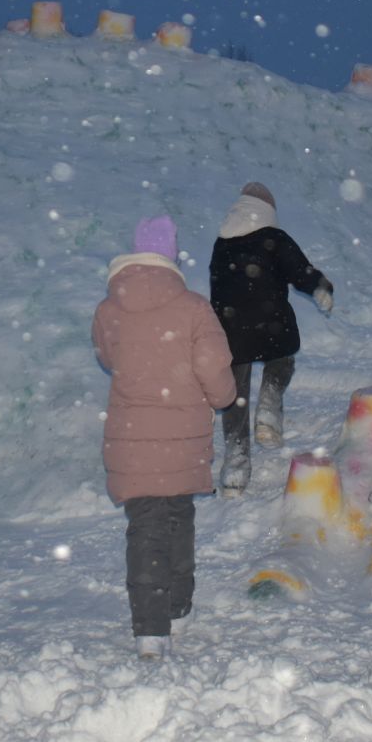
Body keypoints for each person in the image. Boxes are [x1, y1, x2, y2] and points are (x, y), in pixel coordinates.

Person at [91, 214, 237, 660]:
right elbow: (213, 368)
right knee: (177, 519)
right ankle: (171, 612)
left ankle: (153, 626)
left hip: (130, 436)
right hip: (182, 434)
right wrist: (223, 396)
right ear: (171, 256)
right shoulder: (193, 307)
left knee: (145, 526)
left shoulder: (108, 309)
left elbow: (107, 354)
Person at [209, 181, 333, 495]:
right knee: (282, 358)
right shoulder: (274, 238)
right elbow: (299, 270)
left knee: (234, 394)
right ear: (267, 211)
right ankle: (269, 403)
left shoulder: (221, 244)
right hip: (271, 322)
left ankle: (236, 464)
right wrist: (320, 285)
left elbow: (216, 287)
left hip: (231, 327)